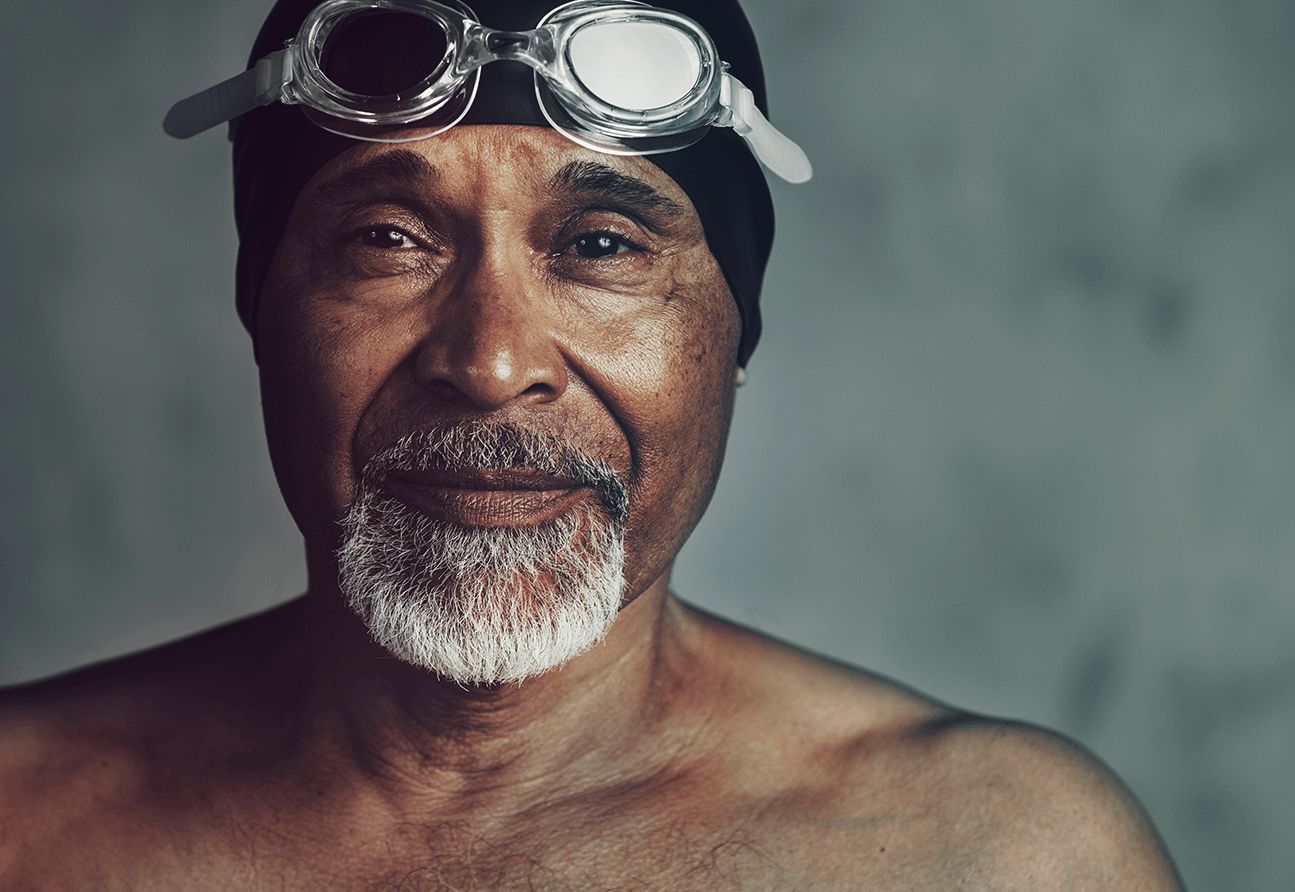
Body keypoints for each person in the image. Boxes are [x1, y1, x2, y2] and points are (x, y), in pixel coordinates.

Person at [0, 0, 1182, 888]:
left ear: (732, 331)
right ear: (265, 306)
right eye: (388, 237)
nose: (493, 359)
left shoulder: (995, 859)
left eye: (603, 244)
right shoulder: (26, 822)